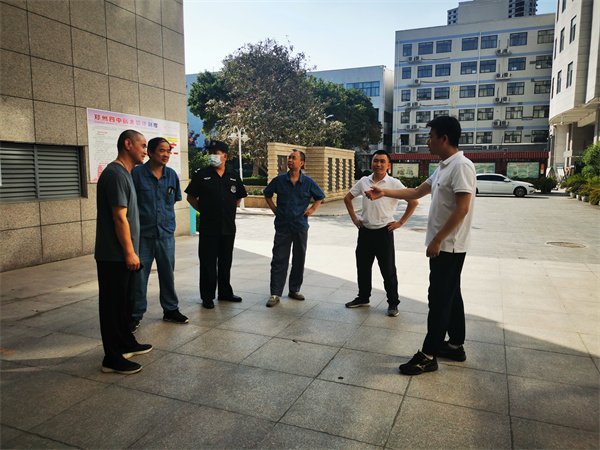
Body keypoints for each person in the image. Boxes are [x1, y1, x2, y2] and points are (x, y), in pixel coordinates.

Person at [367, 115, 476, 375]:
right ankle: (455, 345)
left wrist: (438, 239)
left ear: (444, 138)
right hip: (445, 245)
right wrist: (384, 192)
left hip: (448, 246)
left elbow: (462, 208)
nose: (427, 142)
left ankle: (428, 355)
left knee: (438, 300)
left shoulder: (461, 166)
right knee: (451, 294)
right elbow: (416, 192)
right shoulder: (443, 167)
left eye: (431, 137)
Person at [94, 129, 153, 375]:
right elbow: (119, 218)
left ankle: (126, 342)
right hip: (114, 255)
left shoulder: (125, 173)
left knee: (124, 304)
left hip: (124, 254)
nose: (145, 151)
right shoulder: (115, 174)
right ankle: (112, 357)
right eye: (143, 145)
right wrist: (129, 252)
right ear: (128, 144)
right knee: (112, 306)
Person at [344, 150, 418, 317]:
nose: (378, 164)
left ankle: (393, 303)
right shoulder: (364, 181)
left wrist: (400, 222)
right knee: (363, 267)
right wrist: (354, 218)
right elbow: (347, 198)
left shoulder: (394, 183)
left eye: (382, 161)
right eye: (375, 160)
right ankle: (363, 297)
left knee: (388, 270)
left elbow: (413, 202)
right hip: (365, 232)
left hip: (384, 232)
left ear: (388, 165)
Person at [130, 137, 187, 333]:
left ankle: (170, 310)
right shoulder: (137, 173)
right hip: (143, 236)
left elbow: (173, 201)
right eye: (162, 150)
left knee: (167, 274)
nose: (166, 154)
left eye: (168, 151)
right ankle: (135, 315)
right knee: (139, 278)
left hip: (166, 234)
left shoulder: (171, 175)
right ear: (151, 152)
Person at [185, 140, 247, 309]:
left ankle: (225, 292)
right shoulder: (201, 174)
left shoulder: (233, 175)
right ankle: (207, 296)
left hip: (228, 227)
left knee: (226, 261)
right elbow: (190, 197)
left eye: (216, 152)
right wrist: (204, 211)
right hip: (208, 227)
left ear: (224, 156)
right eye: (210, 152)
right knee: (208, 263)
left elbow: (238, 197)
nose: (212, 155)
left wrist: (228, 210)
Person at [263, 150, 325, 307]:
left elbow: (320, 196)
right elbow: (267, 194)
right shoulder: (279, 180)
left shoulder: (308, 182)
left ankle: (294, 290)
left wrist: (312, 209)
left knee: (299, 259)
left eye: (293, 158)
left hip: (300, 226)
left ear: (301, 163)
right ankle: (275, 293)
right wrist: (275, 210)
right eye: (289, 158)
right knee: (279, 259)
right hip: (283, 226)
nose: (290, 160)